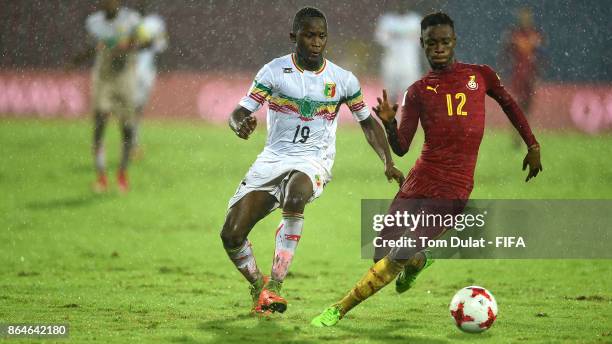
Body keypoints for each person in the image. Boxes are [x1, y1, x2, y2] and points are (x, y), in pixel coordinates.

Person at [311, 11, 543, 327]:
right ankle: (419, 262)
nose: (439, 48)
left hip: (453, 189)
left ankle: (337, 309)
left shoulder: (480, 75)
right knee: (381, 255)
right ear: (423, 44)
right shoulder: (419, 90)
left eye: (445, 41)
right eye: (432, 43)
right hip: (419, 181)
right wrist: (391, 125)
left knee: (397, 255)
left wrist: (532, 144)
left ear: (454, 41)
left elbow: (509, 103)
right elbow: (402, 146)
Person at [220, 7, 404, 316]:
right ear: (294, 37)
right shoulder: (273, 72)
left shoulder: (342, 80)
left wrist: (387, 160)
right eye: (309, 35)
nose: (316, 42)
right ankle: (258, 286)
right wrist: (240, 123)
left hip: (314, 161)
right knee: (231, 234)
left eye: (321, 36)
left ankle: (275, 286)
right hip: (273, 159)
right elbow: (239, 111)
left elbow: (367, 122)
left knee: (296, 193)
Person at [71, 0, 143, 193]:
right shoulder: (93, 22)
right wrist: (75, 61)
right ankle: (101, 177)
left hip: (124, 75)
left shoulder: (131, 19)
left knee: (127, 127)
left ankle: (122, 174)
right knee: (100, 119)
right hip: (103, 76)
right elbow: (90, 47)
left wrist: (128, 43)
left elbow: (142, 43)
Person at [502, 7, 544, 146]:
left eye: (528, 16)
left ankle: (523, 135)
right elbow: (505, 55)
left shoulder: (536, 35)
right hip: (517, 77)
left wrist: (538, 75)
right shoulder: (513, 35)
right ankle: (515, 137)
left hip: (530, 78)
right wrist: (505, 72)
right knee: (515, 107)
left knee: (526, 108)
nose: (526, 19)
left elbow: (541, 56)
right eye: (523, 16)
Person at [132, 10, 168, 157]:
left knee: (137, 109)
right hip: (129, 71)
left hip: (146, 71)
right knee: (132, 109)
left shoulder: (155, 21)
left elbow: (161, 45)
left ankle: (132, 144)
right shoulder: (128, 19)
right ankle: (132, 146)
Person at [375, 5, 422, 104]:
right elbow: (381, 38)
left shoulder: (415, 20)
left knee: (412, 89)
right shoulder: (387, 20)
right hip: (392, 59)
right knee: (391, 88)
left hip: (409, 60)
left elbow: (421, 40)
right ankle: (392, 113)